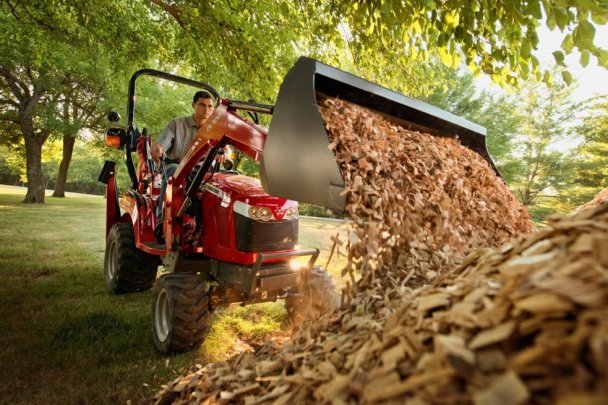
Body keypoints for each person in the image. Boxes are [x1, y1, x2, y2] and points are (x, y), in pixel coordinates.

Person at [151, 90, 215, 224]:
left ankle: (208, 224)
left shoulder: (214, 129)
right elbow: (162, 144)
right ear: (193, 105)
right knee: (174, 172)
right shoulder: (177, 124)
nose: (206, 109)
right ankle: (162, 220)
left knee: (220, 181)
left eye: (210, 106)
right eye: (202, 105)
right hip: (176, 165)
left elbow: (225, 149)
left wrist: (224, 153)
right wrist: (159, 147)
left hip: (201, 168)